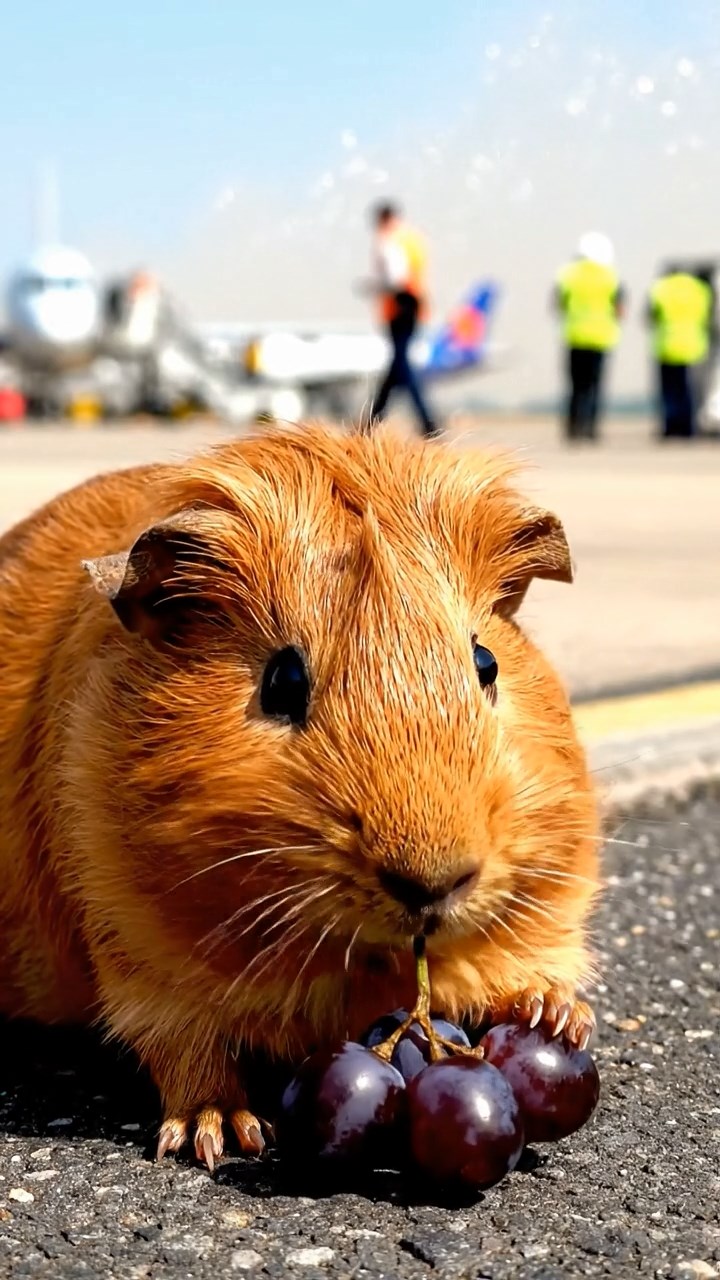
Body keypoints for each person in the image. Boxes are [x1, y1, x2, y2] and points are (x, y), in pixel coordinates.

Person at [363, 201, 438, 437]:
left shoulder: (388, 240)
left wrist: (372, 286)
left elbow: (395, 276)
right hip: (413, 304)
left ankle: (427, 423)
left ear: (383, 218)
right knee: (396, 366)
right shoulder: (412, 239)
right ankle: (372, 421)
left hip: (399, 306)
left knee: (401, 366)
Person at [553, 232, 625, 442]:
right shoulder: (611, 276)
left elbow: (558, 303)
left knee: (575, 386)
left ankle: (573, 427)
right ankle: (591, 429)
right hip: (600, 338)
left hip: (575, 337)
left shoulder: (568, 274)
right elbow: (620, 310)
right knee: (594, 387)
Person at [646, 263, 713, 439]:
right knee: (689, 391)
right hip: (693, 347)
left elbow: (651, 316)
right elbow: (709, 317)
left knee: (669, 392)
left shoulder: (661, 288)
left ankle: (671, 428)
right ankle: (689, 428)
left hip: (667, 346)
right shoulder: (699, 289)